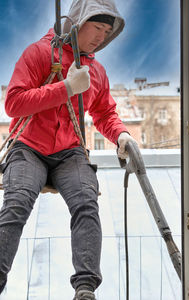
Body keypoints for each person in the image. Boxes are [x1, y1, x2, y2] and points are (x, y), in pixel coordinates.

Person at [0, 0, 136, 299]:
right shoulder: (38, 53)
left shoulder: (96, 71)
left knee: (86, 203)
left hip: (70, 151)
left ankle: (85, 288)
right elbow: (14, 104)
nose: (101, 36)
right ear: (77, 23)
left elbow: (104, 113)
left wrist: (121, 135)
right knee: (17, 203)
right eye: (97, 27)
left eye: (107, 31)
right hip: (28, 147)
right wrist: (66, 88)